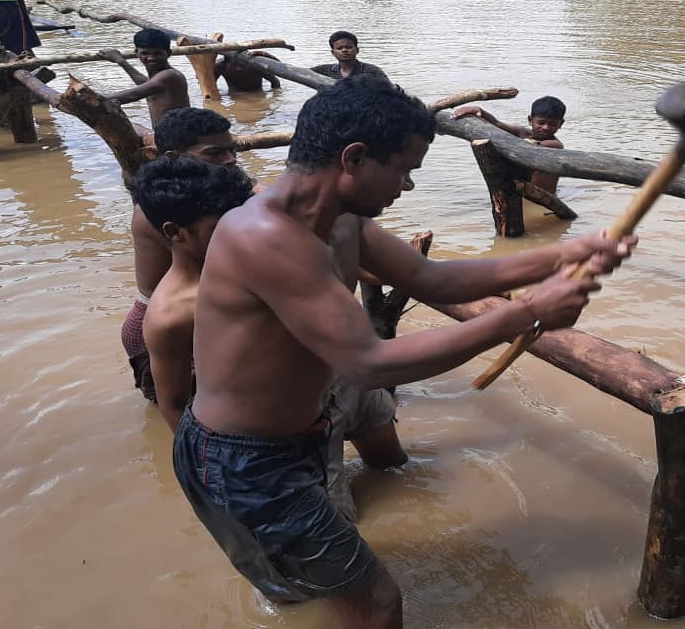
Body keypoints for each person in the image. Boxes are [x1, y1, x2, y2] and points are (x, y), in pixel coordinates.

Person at [174, 78, 635, 627]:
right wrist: (527, 311)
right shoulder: (265, 235)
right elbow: (368, 363)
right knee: (375, 602)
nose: (409, 185)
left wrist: (563, 256)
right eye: (404, 169)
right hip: (243, 461)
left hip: (298, 437)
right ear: (355, 157)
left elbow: (430, 278)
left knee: (315, 589)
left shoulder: (340, 221)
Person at [122, 107, 237, 403]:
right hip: (161, 323)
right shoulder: (169, 211)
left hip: (184, 317)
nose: (230, 159)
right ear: (174, 157)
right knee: (181, 408)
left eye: (231, 149)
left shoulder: (207, 198)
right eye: (215, 153)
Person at [131, 157, 254, 432]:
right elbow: (174, 405)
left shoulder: (240, 261)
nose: (238, 230)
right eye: (219, 226)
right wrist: (201, 466)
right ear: (175, 233)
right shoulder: (173, 314)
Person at [453, 95, 567, 193]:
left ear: (560, 123)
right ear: (530, 120)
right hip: (522, 192)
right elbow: (497, 124)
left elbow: (529, 148)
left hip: (544, 198)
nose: (546, 127)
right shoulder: (522, 132)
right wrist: (479, 111)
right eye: (541, 122)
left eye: (552, 124)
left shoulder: (554, 145)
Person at [99, 28, 190, 131]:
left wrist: (87, 99)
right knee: (133, 126)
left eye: (157, 54)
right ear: (137, 53)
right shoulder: (158, 78)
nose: (151, 58)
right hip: (165, 134)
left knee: (126, 126)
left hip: (176, 135)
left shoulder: (169, 76)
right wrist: (121, 61)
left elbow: (132, 95)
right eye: (145, 53)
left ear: (168, 53)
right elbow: (145, 83)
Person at [310, 30, 391, 83]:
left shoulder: (372, 71)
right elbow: (301, 74)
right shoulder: (324, 71)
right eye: (339, 48)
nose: (344, 50)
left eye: (348, 47)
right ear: (333, 53)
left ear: (357, 50)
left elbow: (391, 91)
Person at [215, 50, 281, 93]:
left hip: (257, 94)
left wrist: (265, 54)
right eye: (235, 65)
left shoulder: (255, 65)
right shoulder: (221, 65)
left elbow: (276, 80)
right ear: (226, 61)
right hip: (235, 96)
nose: (239, 68)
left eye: (242, 65)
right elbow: (210, 83)